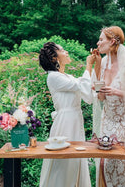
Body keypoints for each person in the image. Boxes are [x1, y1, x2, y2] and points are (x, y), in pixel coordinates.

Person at [91, 26, 125, 187]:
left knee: (121, 163)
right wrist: (98, 88)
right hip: (107, 120)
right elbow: (101, 98)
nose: (98, 43)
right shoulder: (104, 62)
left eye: (101, 39)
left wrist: (117, 91)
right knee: (103, 163)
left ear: (113, 41)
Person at [39, 42, 94, 187]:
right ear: (53, 58)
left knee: (77, 158)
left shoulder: (68, 76)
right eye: (63, 50)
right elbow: (81, 85)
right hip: (65, 122)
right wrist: (89, 65)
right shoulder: (53, 77)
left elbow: (87, 94)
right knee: (65, 161)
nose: (67, 52)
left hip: (75, 119)